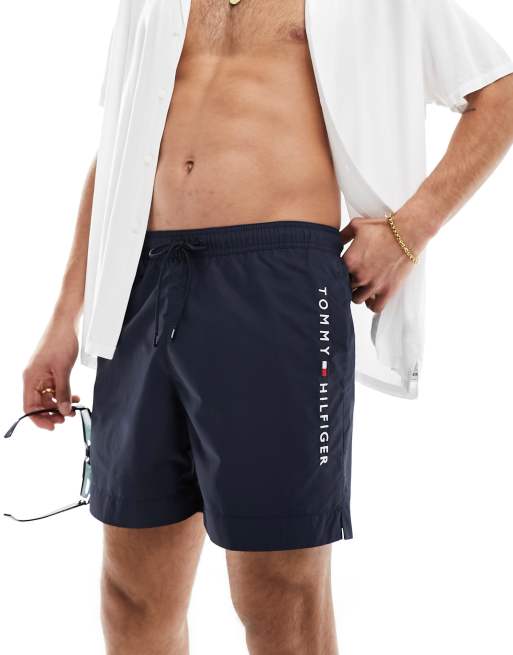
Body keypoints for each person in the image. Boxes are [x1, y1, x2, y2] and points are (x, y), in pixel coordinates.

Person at [21, 1, 513, 653]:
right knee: (131, 593)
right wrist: (64, 322)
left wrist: (407, 231)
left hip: (275, 279)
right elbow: (119, 148)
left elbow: (499, 92)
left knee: (280, 591)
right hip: (140, 284)